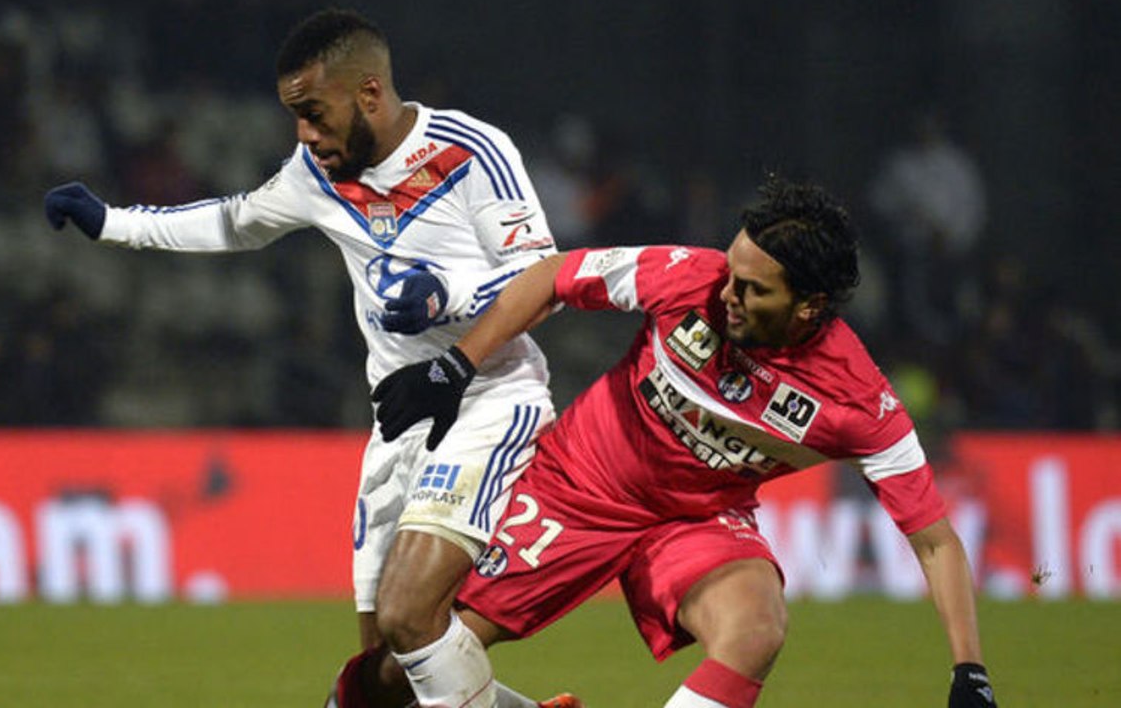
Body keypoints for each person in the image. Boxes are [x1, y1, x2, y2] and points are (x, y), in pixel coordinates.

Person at [43, 8, 576, 708]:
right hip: (398, 424)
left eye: (315, 114)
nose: (304, 134)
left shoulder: (471, 151)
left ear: (369, 94)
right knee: (382, 680)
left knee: (410, 623)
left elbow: (546, 280)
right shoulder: (315, 172)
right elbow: (234, 221)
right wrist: (113, 223)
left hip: (485, 403)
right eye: (295, 116)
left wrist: (445, 295)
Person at [375, 176, 998, 708]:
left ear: (809, 307)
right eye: (732, 273)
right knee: (409, 664)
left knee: (755, 630)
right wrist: (455, 367)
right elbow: (552, 276)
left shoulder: (856, 403)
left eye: (753, 289)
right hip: (578, 484)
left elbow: (935, 541)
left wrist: (969, 669)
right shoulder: (687, 277)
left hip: (693, 518)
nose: (727, 294)